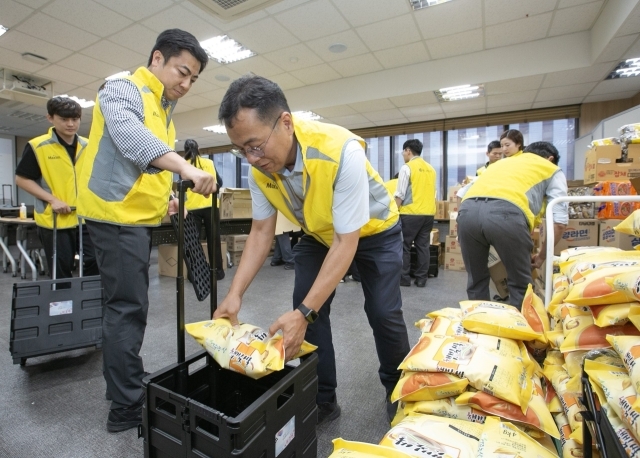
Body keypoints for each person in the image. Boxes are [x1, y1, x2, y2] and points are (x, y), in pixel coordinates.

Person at [213, 74, 410, 425]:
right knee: (305, 311)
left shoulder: (339, 150)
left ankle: (399, 389)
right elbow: (261, 231)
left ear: (285, 122)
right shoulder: (261, 170)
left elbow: (346, 241)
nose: (251, 158)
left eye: (255, 145)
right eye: (241, 150)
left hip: (374, 232)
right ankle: (322, 399)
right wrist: (234, 294)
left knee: (382, 312)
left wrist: (305, 312)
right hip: (320, 235)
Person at [76, 29, 215, 433]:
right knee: (127, 309)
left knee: (123, 305)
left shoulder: (161, 107)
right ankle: (125, 406)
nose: (186, 84)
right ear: (157, 58)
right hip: (115, 216)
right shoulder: (123, 87)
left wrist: (168, 198)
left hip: (134, 218)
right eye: (182, 72)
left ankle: (123, 381)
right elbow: (130, 138)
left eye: (193, 79)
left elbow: (145, 167)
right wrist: (186, 168)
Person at [456, 141, 568, 309]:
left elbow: (461, 194)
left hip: (467, 213)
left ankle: (478, 327)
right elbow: (559, 222)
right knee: (520, 283)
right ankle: (518, 330)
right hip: (507, 215)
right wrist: (541, 257)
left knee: (476, 280)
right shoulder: (550, 168)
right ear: (550, 159)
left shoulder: (500, 163)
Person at [15, 96, 98, 279]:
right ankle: (63, 306)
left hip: (85, 218)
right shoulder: (38, 146)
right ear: (50, 118)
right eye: (64, 119)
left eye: (75, 119)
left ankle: (89, 305)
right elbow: (21, 179)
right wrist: (52, 199)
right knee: (61, 268)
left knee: (95, 263)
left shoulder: (88, 145)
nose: (70, 124)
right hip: (55, 221)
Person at [394, 139, 436, 288]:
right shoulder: (431, 169)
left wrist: (394, 211)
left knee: (404, 245)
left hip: (410, 214)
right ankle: (421, 279)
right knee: (423, 246)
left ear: (408, 151)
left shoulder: (407, 168)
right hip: (429, 214)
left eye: (403, 151)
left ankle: (404, 279)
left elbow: (400, 193)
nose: (403, 154)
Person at [183, 139, 225, 280]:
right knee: (214, 239)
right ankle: (217, 272)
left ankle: (194, 273)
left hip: (192, 208)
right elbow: (220, 182)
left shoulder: (184, 166)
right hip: (211, 205)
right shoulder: (209, 163)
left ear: (185, 149)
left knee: (193, 242)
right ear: (198, 148)